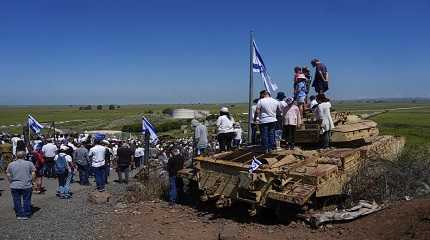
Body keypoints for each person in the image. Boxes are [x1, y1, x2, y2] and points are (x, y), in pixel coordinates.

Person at [6, 151, 36, 220]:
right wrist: (32, 181)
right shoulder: (29, 163)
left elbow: (8, 174)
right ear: (24, 156)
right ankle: (26, 214)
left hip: (15, 185)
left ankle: (19, 214)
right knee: (26, 199)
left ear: (16, 156)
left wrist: (11, 181)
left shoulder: (11, 164)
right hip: (26, 184)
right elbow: (33, 173)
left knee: (16, 200)